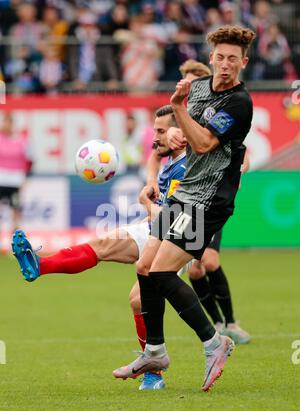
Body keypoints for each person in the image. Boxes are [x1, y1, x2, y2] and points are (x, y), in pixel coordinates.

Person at [113, 25, 256, 392]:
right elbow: (186, 136)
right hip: (183, 193)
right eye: (220, 57)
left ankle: (214, 343)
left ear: (244, 62)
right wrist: (174, 132)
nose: (226, 65)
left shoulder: (239, 102)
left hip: (208, 199)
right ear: (211, 59)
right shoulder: (200, 90)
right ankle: (156, 351)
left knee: (161, 274)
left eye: (233, 59)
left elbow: (206, 142)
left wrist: (178, 109)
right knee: (145, 268)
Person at [12, 105, 187, 390]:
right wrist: (152, 181)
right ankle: (39, 265)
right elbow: (155, 158)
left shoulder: (190, 165)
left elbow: (170, 218)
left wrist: (147, 202)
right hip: (154, 229)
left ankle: (155, 371)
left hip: (178, 238)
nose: (154, 136)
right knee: (103, 243)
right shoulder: (168, 156)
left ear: (180, 133)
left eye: (160, 131)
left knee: (138, 301)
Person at [179, 59, 251, 345]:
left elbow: (239, 149)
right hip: (186, 198)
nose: (189, 84)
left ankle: (232, 321)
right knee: (195, 269)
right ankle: (218, 323)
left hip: (210, 197)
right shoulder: (180, 118)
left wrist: (239, 166)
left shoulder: (223, 108)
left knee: (208, 260)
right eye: (184, 78)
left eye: (193, 79)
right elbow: (158, 154)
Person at [0, 111, 32, 240]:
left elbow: (30, 161)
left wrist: (26, 178)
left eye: (9, 122)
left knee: (16, 211)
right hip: (1, 180)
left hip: (16, 181)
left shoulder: (22, 140)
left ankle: (15, 243)